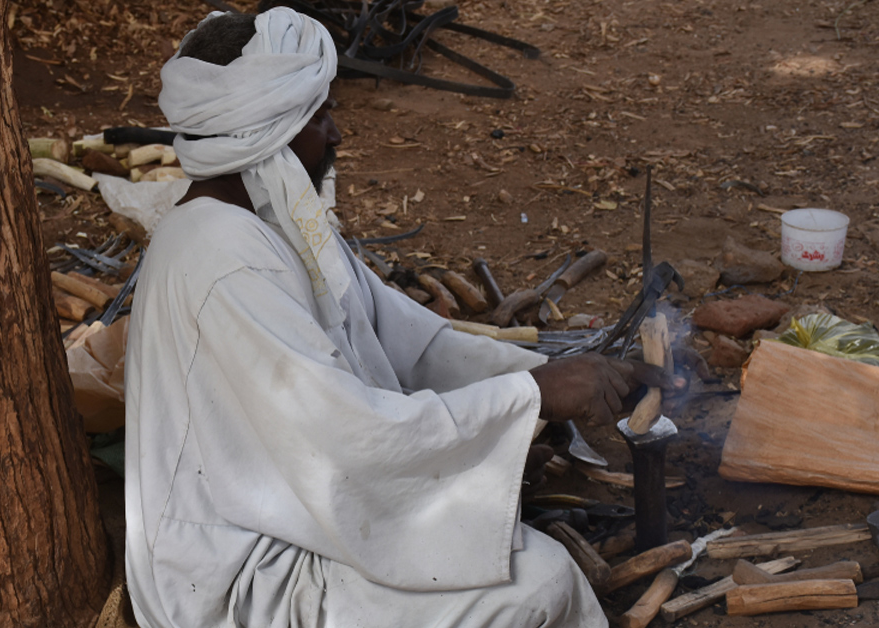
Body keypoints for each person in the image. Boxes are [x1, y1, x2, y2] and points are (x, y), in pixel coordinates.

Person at [124, 8, 677, 627]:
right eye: (319, 116)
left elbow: (414, 346)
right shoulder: (223, 260)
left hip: (295, 517)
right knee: (538, 582)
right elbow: (345, 439)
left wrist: (564, 375)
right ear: (264, 132)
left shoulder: (273, 217)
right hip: (236, 570)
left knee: (509, 554)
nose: (336, 135)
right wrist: (531, 397)